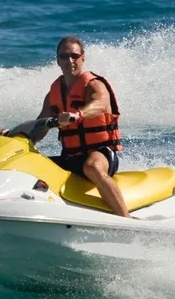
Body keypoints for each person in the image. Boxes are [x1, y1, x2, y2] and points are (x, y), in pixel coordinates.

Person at [34, 36, 129, 218]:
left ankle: (126, 218)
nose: (69, 60)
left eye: (74, 56)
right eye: (64, 56)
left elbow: (100, 103)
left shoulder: (93, 85)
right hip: (71, 157)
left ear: (82, 58)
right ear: (57, 60)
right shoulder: (53, 93)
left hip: (101, 153)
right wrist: (17, 135)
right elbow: (40, 125)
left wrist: (77, 115)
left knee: (92, 167)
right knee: (31, 163)